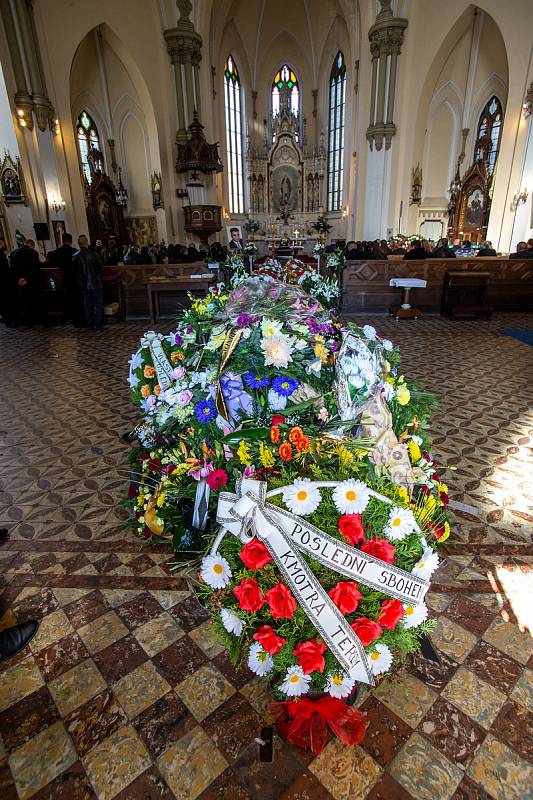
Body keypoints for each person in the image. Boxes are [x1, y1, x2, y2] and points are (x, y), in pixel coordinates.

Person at [73, 234, 104, 332]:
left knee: (87, 305)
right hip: (96, 283)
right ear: (87, 243)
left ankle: (90, 325)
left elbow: (75, 272)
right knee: (98, 304)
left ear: (79, 244)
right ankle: (99, 326)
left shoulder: (75, 256)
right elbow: (100, 268)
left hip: (83, 284)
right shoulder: (93, 254)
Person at [53, 232, 84, 325]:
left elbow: (56, 265)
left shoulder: (57, 252)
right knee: (77, 300)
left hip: (64, 278)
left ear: (62, 241)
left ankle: (71, 319)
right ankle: (79, 320)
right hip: (75, 278)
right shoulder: (74, 251)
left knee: (68, 299)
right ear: (71, 240)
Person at [10, 238, 41, 325]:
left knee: (23, 301)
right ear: (31, 245)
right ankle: (33, 320)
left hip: (18, 282)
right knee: (32, 301)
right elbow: (35, 269)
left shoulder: (14, 253)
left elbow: (12, 269)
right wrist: (27, 279)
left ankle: (25, 320)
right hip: (31, 282)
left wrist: (20, 279)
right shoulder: (33, 253)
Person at [0, 237, 17, 326]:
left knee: (3, 303)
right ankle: (11, 319)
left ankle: (7, 320)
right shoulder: (1, 255)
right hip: (5, 282)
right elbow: (5, 270)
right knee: (8, 302)